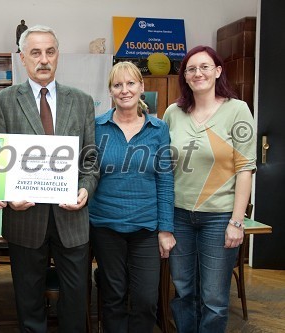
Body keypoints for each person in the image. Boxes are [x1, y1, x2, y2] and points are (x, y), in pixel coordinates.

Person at [0, 25, 99, 332]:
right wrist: (5, 194)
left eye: (50, 52)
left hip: (72, 219)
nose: (43, 59)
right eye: (35, 53)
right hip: (25, 218)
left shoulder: (82, 101)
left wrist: (85, 191)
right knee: (28, 298)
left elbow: (90, 160)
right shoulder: (4, 101)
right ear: (22, 58)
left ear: (58, 56)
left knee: (77, 299)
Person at [163, 45, 256, 333]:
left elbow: (245, 169)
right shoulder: (173, 113)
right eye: (191, 68)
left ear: (217, 71)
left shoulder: (237, 110)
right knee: (183, 291)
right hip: (179, 216)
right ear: (185, 77)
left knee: (215, 298)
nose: (197, 73)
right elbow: (164, 167)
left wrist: (236, 222)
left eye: (205, 67)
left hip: (219, 218)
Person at [88, 61, 176, 332]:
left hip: (146, 228)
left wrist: (166, 229)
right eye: (117, 85)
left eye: (130, 84)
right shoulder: (96, 126)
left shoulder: (158, 129)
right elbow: (87, 174)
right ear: (110, 91)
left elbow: (165, 179)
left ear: (142, 87)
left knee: (146, 300)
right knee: (113, 297)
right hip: (105, 226)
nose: (124, 90)